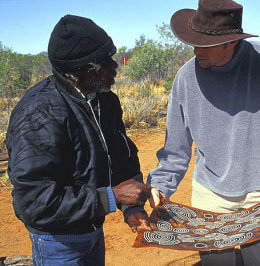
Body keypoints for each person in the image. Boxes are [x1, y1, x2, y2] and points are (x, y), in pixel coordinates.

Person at [147, 0, 260, 265]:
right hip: (209, 194)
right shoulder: (186, 78)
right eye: (194, 41)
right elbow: (174, 150)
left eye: (205, 44)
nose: (196, 50)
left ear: (231, 42)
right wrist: (161, 185)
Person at [5, 15, 152, 266]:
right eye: (104, 62)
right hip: (57, 242)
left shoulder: (104, 100)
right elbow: (35, 202)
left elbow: (120, 157)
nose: (115, 66)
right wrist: (112, 197)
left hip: (92, 229)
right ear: (79, 71)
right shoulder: (39, 114)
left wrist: (131, 207)